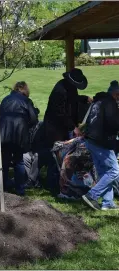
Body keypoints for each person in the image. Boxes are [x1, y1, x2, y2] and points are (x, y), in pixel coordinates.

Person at [41, 68, 91, 195]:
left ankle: (64, 182)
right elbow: (60, 112)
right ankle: (53, 185)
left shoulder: (69, 87)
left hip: (62, 126)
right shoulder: (60, 90)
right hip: (55, 127)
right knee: (56, 156)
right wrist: (73, 127)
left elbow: (73, 99)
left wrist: (84, 99)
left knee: (64, 156)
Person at [82, 80, 119, 211]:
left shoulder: (98, 101)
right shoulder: (110, 103)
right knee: (114, 170)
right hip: (101, 141)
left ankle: (107, 202)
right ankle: (92, 195)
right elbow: (113, 123)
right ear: (116, 94)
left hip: (91, 139)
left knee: (104, 171)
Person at [0, 82, 39, 196]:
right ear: (25, 90)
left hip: (4, 134)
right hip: (19, 135)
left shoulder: (5, 99)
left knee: (4, 162)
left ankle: (3, 187)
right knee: (19, 161)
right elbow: (33, 120)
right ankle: (20, 189)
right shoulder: (26, 101)